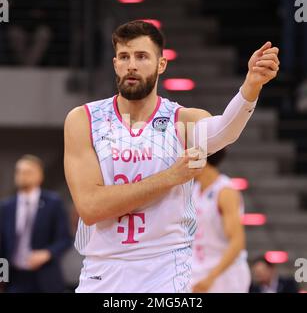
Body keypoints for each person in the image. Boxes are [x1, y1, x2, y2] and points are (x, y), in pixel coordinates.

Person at [64, 20, 280, 293]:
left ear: (161, 64)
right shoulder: (83, 119)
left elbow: (225, 130)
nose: (131, 64)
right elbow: (91, 207)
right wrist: (169, 178)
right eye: (124, 56)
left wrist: (251, 86)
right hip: (101, 270)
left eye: (141, 56)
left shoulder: (183, 120)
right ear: (115, 64)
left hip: (165, 270)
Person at [0, 155, 72, 293]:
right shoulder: (6, 206)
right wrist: (2, 277)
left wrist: (47, 253)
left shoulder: (53, 203)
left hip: (45, 276)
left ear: (40, 175)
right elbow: (2, 246)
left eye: (28, 172)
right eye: (19, 171)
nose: (22, 175)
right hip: (15, 278)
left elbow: (65, 239)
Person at [191, 149, 250, 293]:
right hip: (199, 269)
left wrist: (211, 277)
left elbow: (237, 242)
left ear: (202, 160)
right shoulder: (194, 190)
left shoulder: (224, 191)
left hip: (225, 274)